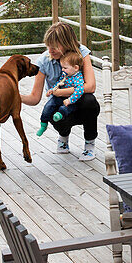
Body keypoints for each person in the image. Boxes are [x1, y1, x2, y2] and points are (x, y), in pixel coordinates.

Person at [22, 22, 100, 160]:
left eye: (55, 47)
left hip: (80, 104)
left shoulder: (81, 53)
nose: (50, 50)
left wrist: (60, 92)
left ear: (67, 43)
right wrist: (15, 96)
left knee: (90, 101)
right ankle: (63, 136)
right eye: (48, 46)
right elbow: (34, 98)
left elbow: (91, 87)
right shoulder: (44, 61)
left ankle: (89, 144)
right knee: (51, 109)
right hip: (61, 108)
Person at [36, 51, 85, 136]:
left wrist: (70, 100)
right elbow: (59, 83)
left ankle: (59, 115)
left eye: (65, 68)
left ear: (76, 68)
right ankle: (43, 124)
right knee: (48, 105)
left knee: (65, 108)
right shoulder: (65, 75)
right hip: (59, 97)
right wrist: (52, 90)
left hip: (71, 100)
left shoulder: (78, 78)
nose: (62, 70)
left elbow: (79, 90)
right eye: (62, 67)